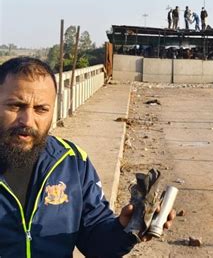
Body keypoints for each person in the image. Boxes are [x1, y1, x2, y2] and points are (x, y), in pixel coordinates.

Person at [0, 57, 175, 257]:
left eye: (41, 109)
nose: (28, 120)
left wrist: (125, 228)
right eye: (15, 106)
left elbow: (96, 241)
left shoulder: (72, 162)